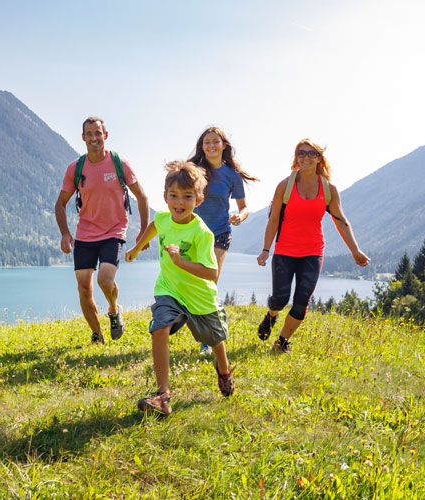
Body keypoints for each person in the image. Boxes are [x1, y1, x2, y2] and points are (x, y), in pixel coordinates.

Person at [125, 160, 234, 415]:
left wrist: (180, 262)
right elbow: (154, 226)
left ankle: (224, 369)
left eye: (187, 197)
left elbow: (212, 272)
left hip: (199, 298)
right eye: (174, 196)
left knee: (215, 338)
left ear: (199, 199)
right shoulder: (163, 218)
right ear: (165, 197)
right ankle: (163, 395)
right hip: (169, 290)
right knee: (159, 328)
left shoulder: (202, 233)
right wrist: (137, 247)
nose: (179, 202)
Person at [256, 139, 370, 353]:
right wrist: (265, 249)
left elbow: (341, 220)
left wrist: (355, 250)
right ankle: (271, 316)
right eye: (301, 153)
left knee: (301, 302)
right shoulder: (285, 185)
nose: (306, 157)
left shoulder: (328, 189)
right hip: (285, 251)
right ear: (296, 157)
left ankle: (282, 342)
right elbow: (273, 220)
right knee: (280, 299)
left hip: (312, 252)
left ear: (319, 158)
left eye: (311, 153)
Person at [55, 117, 149, 344]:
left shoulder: (119, 163)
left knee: (105, 281)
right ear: (83, 138)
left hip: (114, 231)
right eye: (89, 134)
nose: (94, 138)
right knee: (84, 288)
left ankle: (114, 310)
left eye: (98, 133)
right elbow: (60, 203)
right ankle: (97, 335)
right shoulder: (75, 169)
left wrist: (143, 232)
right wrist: (65, 234)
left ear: (105, 135)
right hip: (85, 234)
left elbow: (142, 197)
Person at [188, 127, 258, 354]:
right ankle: (199, 320)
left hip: (220, 232)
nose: (211, 145)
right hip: (195, 233)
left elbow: (244, 207)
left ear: (224, 146)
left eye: (215, 142)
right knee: (193, 284)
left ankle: (207, 339)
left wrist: (241, 216)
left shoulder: (232, 175)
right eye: (206, 142)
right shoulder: (194, 170)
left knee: (210, 281)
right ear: (202, 146)